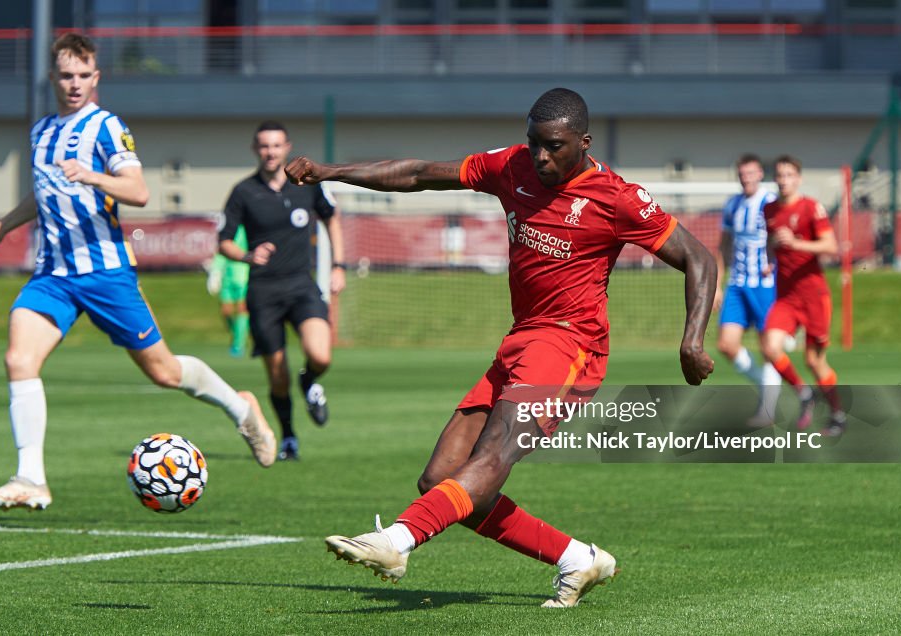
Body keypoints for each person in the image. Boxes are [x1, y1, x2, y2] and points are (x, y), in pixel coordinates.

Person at [285, 88, 716, 607]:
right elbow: (420, 174)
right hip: (521, 339)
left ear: (583, 142)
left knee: (492, 457)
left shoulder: (616, 197)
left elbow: (699, 257)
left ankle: (395, 541)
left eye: (553, 146)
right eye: (533, 143)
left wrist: (691, 339)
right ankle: (577, 558)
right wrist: (330, 172)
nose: (540, 157)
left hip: (570, 346)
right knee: (441, 478)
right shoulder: (512, 166)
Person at [0, 33, 276, 510]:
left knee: (165, 372)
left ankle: (242, 409)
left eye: (83, 76)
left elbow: (138, 192)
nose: (74, 84)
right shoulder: (41, 132)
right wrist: (2, 226)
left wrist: (92, 175)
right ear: (53, 77)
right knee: (18, 359)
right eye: (66, 75)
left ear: (96, 78)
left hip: (106, 273)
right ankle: (30, 477)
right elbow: (43, 192)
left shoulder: (107, 127)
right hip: (53, 274)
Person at [218, 121, 346, 462]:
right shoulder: (243, 192)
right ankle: (289, 437)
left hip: (301, 285)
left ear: (287, 147)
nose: (270, 152)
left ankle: (309, 381)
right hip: (263, 292)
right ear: (255, 150)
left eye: (276, 145)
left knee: (321, 355)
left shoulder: (306, 186)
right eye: (263, 146)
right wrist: (247, 255)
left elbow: (332, 218)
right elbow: (224, 242)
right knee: (276, 375)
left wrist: (338, 265)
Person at [760, 155, 845, 435]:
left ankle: (836, 414)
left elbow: (831, 246)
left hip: (813, 296)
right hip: (786, 297)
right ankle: (804, 393)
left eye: (789, 175)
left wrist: (796, 242)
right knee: (770, 347)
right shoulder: (769, 208)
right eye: (780, 175)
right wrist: (770, 259)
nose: (784, 180)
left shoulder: (811, 208)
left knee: (814, 361)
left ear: (799, 178)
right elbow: (772, 242)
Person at [714, 154, 781, 426]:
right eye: (742, 174)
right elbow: (722, 247)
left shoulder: (771, 204)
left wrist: (776, 262)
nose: (746, 178)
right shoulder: (733, 205)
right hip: (737, 285)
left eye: (751, 173)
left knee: (769, 348)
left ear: (760, 174)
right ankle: (768, 385)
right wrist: (717, 284)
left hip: (765, 286)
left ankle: (767, 410)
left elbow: (785, 239)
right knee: (726, 345)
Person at [207, 225, 251, 357]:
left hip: (244, 274)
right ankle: (236, 333)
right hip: (227, 276)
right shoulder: (227, 229)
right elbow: (221, 251)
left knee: (243, 309)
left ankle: (239, 344)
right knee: (226, 311)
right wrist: (215, 271)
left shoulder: (247, 228)